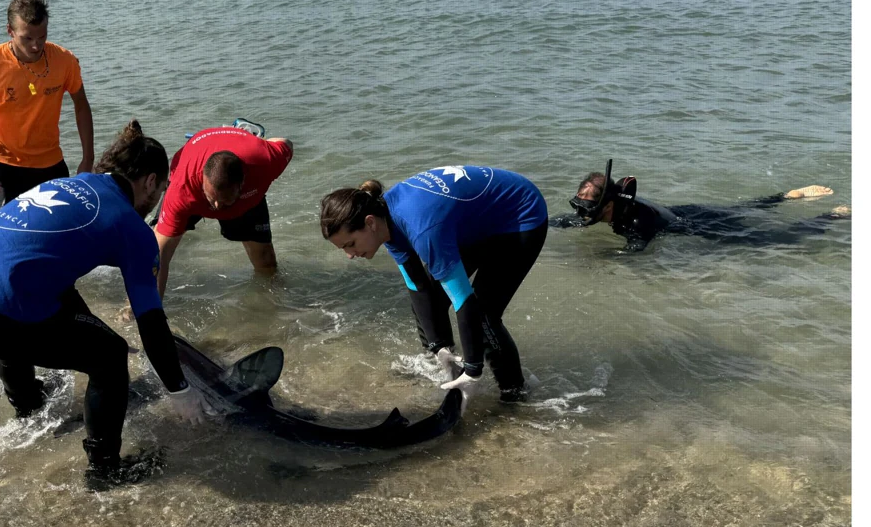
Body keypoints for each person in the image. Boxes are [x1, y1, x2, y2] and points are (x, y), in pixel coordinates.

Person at [0, 120, 206, 491]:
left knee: (30, 302)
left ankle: (29, 410)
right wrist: (178, 389)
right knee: (110, 354)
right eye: (158, 191)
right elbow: (150, 319)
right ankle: (105, 470)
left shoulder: (70, 184)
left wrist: (87, 324)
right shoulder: (131, 226)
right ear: (151, 181)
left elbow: (45, 275)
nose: (155, 201)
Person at [320, 166, 549, 404]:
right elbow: (417, 286)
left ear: (369, 224)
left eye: (350, 244)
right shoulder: (383, 222)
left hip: (520, 215)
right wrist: (438, 347)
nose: (349, 254)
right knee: (434, 297)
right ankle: (449, 366)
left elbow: (464, 300)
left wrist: (473, 371)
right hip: (476, 220)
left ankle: (515, 395)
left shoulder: (422, 229)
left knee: (484, 315)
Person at [552, 159, 851, 253]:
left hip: (694, 225)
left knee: (768, 240)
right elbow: (569, 221)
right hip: (683, 209)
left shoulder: (636, 223)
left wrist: (604, 259)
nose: (581, 216)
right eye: (579, 207)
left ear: (607, 207)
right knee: (741, 207)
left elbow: (634, 251)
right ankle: (787, 196)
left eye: (586, 209)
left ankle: (831, 216)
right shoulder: (612, 208)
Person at [0, 0, 95, 208]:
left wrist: (87, 159)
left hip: (51, 162)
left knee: (61, 232)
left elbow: (81, 107)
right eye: (27, 38)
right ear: (10, 31)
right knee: (7, 235)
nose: (36, 46)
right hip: (3, 164)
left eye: (42, 37)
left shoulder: (65, 61)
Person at [153, 124, 294, 297]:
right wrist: (148, 309)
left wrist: (260, 142)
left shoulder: (265, 162)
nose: (217, 207)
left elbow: (286, 143)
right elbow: (159, 257)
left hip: (247, 186)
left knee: (266, 263)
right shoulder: (182, 189)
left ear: (242, 183)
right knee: (155, 248)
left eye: (224, 200)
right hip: (192, 182)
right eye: (212, 199)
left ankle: (273, 304)